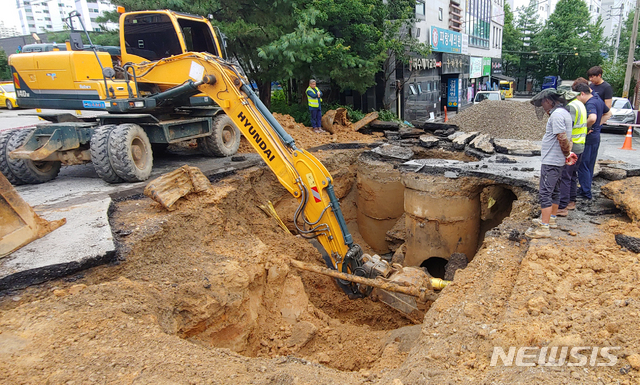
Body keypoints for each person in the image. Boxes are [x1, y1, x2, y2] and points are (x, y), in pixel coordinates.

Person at [526, 89, 576, 239]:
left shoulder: (557, 115)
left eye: (542, 102)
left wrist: (567, 153)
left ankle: (544, 227)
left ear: (548, 100)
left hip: (552, 161)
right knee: (554, 190)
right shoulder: (563, 113)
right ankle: (551, 218)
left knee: (545, 192)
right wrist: (566, 154)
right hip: (556, 160)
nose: (542, 105)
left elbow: (562, 137)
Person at [574, 82, 610, 201]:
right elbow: (608, 113)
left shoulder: (590, 103)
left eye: (578, 96)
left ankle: (585, 192)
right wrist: (598, 126)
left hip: (588, 139)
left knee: (583, 165)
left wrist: (586, 128)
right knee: (590, 165)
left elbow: (592, 118)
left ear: (582, 93)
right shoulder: (598, 99)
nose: (577, 99)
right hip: (595, 137)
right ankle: (586, 188)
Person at [556, 89, 587, 216]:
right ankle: (571, 201)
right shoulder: (580, 104)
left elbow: (568, 127)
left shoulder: (571, 107)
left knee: (565, 175)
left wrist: (566, 148)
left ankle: (562, 205)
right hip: (580, 145)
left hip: (573, 146)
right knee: (573, 175)